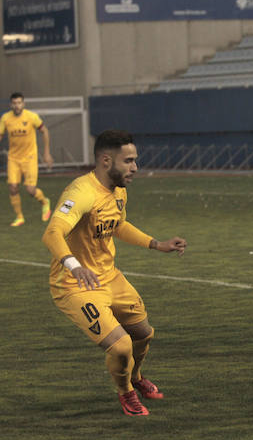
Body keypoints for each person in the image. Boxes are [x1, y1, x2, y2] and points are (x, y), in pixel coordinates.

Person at [41, 129, 187, 415]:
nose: (135, 167)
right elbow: (52, 232)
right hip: (74, 285)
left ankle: (136, 376)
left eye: (135, 160)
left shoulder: (118, 190)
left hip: (109, 277)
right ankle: (126, 393)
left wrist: (157, 244)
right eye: (129, 161)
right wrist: (75, 266)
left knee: (143, 334)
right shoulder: (81, 193)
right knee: (121, 347)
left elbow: (117, 224)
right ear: (106, 160)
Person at [1, 92, 53, 226]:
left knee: (30, 190)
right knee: (12, 187)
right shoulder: (5, 118)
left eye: (19, 103)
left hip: (29, 158)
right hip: (13, 158)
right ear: (11, 104)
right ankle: (19, 217)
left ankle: (45, 202)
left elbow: (45, 131)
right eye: (14, 103)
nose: (17, 105)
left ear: (23, 104)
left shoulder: (31, 117)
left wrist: (46, 153)